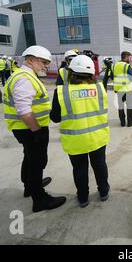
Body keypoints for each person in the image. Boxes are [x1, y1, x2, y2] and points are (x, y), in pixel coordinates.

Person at [3, 45, 66, 213]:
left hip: (24, 128)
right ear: (31, 60)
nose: (46, 66)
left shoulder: (24, 75)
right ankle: (39, 199)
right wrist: (37, 130)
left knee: (29, 157)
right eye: (43, 62)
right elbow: (24, 110)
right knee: (38, 162)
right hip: (30, 128)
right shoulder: (24, 78)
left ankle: (30, 186)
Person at [50, 55, 110, 208]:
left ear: (71, 72)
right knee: (100, 165)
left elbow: (55, 118)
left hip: (75, 140)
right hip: (97, 137)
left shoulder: (61, 92)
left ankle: (83, 197)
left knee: (80, 169)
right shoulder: (100, 88)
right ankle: (103, 192)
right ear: (91, 73)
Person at [112, 51, 132, 127]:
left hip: (118, 90)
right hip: (127, 89)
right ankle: (129, 122)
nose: (130, 59)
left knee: (120, 106)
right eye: (129, 57)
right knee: (129, 106)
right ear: (126, 57)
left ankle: (122, 122)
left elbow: (112, 76)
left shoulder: (114, 65)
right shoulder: (126, 65)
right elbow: (131, 78)